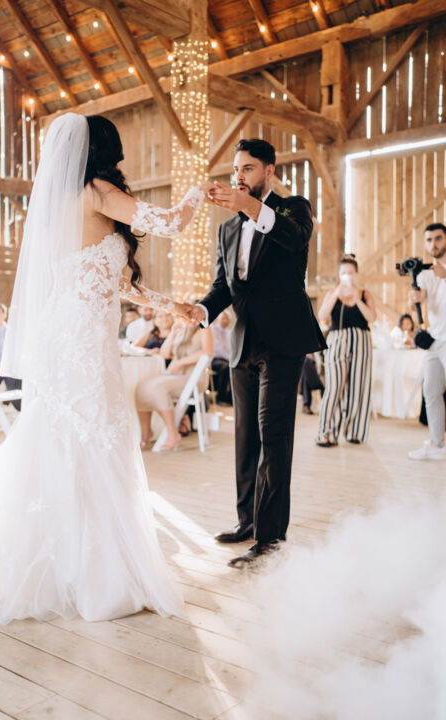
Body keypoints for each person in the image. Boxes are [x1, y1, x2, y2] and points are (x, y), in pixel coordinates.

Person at [0, 113, 214, 624]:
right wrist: (199, 192)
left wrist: (173, 306)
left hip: (71, 336)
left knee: (73, 436)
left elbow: (116, 282)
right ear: (103, 147)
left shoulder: (60, 206)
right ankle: (98, 574)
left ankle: (70, 565)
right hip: (81, 340)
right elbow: (170, 223)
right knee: (95, 435)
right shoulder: (97, 191)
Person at [189, 138, 326, 568]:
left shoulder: (294, 209)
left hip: (283, 341)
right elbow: (223, 287)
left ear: (269, 171)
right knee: (245, 438)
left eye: (247, 168)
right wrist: (201, 311)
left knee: (274, 438)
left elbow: (294, 238)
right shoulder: (227, 229)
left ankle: (270, 538)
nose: (239, 176)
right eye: (236, 169)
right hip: (243, 343)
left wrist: (248, 206)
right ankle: (247, 522)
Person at [316, 254, 376, 447]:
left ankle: (354, 431)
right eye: (344, 273)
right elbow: (322, 315)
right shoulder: (332, 293)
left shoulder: (365, 294)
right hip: (337, 340)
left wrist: (356, 299)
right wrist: (337, 294)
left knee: (358, 386)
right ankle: (326, 432)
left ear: (356, 274)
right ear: (339, 274)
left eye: (350, 273)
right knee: (334, 387)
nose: (347, 276)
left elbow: (372, 318)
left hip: (361, 341)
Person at [135, 321, 213, 450]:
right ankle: (147, 432)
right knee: (141, 387)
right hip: (175, 376)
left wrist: (180, 363)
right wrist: (172, 333)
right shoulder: (181, 329)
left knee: (158, 388)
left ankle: (172, 434)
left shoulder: (204, 329)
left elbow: (208, 351)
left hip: (193, 378)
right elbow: (164, 354)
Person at [408, 223, 446, 460]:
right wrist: (414, 299)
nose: (434, 244)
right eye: (429, 240)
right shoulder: (424, 274)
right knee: (431, 392)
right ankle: (436, 444)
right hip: (435, 340)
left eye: (438, 238)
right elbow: (419, 298)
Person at [211, 310, 232, 405]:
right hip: (215, 359)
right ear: (218, 319)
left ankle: (230, 398)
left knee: (236, 367)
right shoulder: (213, 330)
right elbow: (218, 349)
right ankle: (220, 398)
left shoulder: (230, 333)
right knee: (226, 367)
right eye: (223, 318)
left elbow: (231, 349)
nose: (225, 321)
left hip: (227, 360)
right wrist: (230, 359)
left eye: (227, 319)